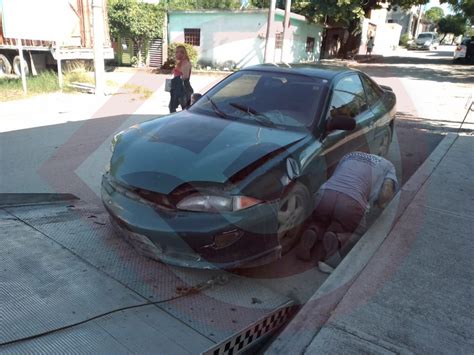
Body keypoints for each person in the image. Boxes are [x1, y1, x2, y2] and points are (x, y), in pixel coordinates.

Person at [296, 152, 398, 273]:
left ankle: (313, 231)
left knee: (321, 220)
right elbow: (386, 191)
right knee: (359, 233)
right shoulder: (388, 166)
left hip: (325, 194)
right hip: (352, 202)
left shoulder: (350, 155)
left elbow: (336, 174)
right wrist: (381, 204)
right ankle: (337, 241)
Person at [169, 45, 193, 113]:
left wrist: (176, 78)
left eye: (177, 52)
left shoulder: (185, 63)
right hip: (177, 88)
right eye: (175, 52)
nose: (175, 54)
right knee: (172, 107)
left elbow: (185, 77)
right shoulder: (180, 63)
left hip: (183, 89)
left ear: (182, 53)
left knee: (184, 109)